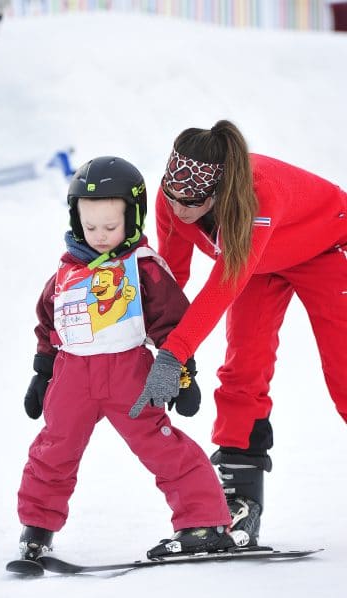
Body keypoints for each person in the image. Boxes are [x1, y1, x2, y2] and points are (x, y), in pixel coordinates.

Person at [130, 120, 347, 546]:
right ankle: (238, 499)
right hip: (260, 265)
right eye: (170, 196)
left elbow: (223, 285)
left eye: (189, 201)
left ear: (216, 194)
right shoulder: (172, 197)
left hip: (327, 248)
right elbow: (172, 282)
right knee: (242, 370)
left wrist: (174, 357)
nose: (177, 209)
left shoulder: (257, 198)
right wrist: (165, 348)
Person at [17, 156, 234, 563]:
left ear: (132, 219)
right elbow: (49, 322)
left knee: (163, 447)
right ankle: (37, 528)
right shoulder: (65, 272)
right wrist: (41, 373)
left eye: (111, 227)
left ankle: (203, 521)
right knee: (52, 450)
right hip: (72, 377)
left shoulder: (143, 267)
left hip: (129, 375)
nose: (100, 236)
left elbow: (172, 321)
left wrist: (185, 374)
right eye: (90, 226)